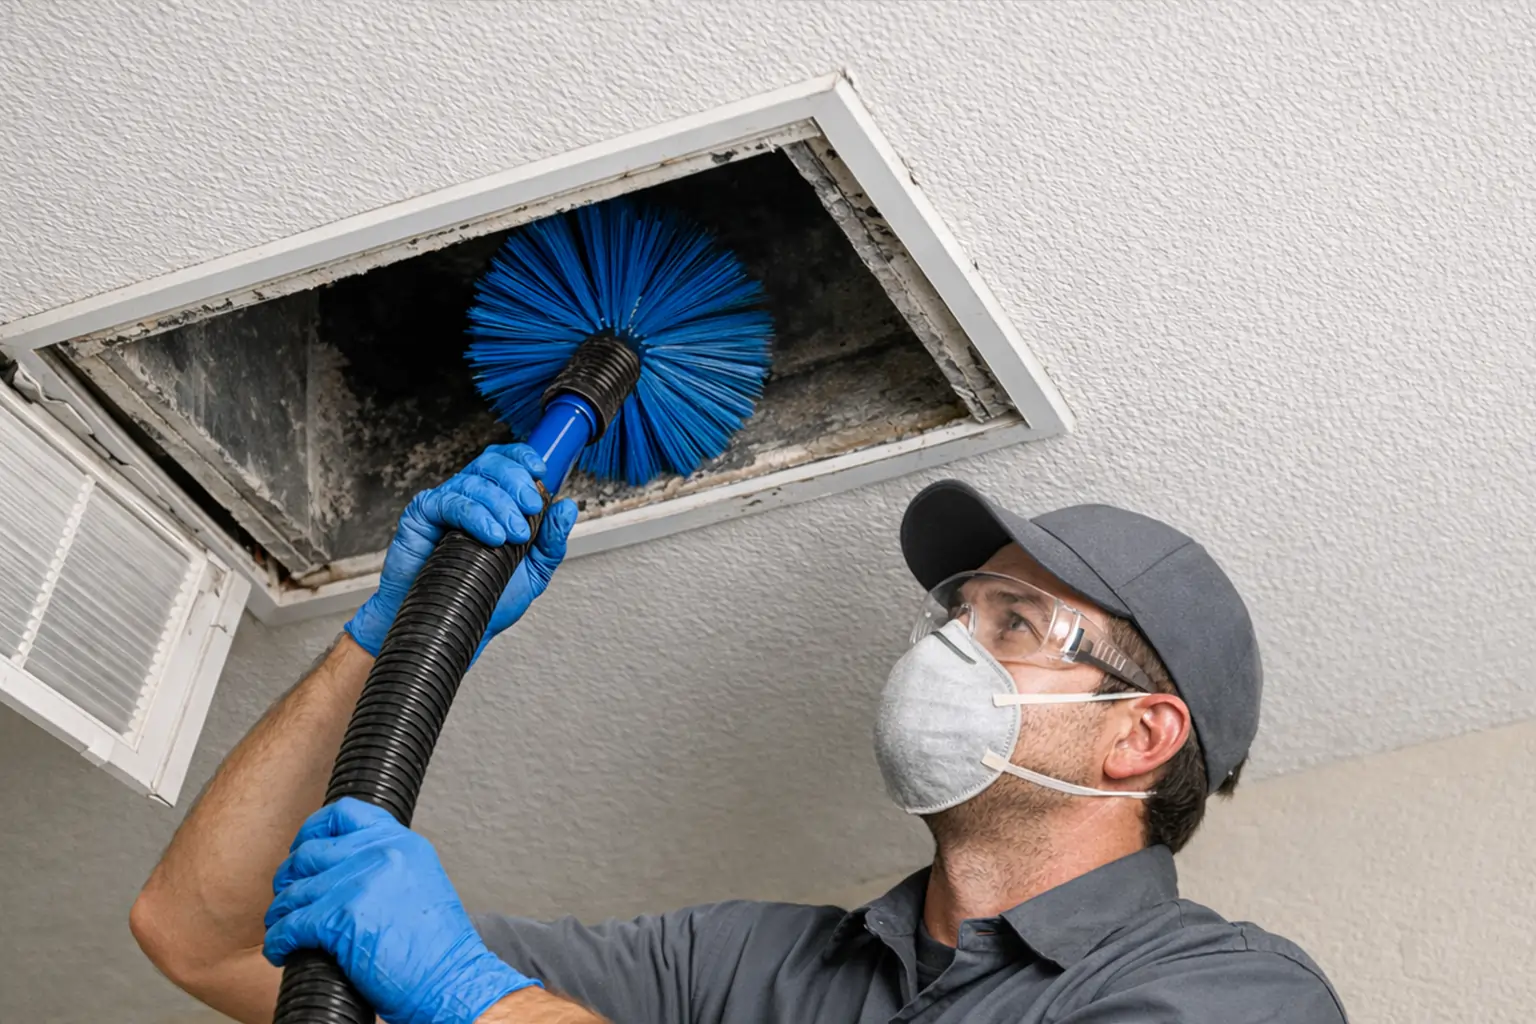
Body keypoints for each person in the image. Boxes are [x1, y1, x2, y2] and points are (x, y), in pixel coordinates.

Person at [131, 443, 1348, 1024]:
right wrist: (389, 642)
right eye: (955, 610)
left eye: (1015, 621)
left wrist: (470, 994)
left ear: (1138, 735)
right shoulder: (743, 967)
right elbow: (205, 930)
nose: (948, 648)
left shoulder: (1227, 991)